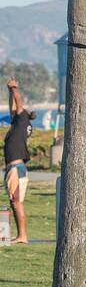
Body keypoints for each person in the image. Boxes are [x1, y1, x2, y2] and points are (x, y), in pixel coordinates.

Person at [4, 78, 34, 245]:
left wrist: (14, 88)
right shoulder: (19, 124)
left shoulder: (22, 120)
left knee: (17, 202)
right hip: (13, 168)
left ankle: (22, 236)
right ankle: (20, 235)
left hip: (16, 168)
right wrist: (10, 92)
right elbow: (13, 107)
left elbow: (18, 102)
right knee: (14, 202)